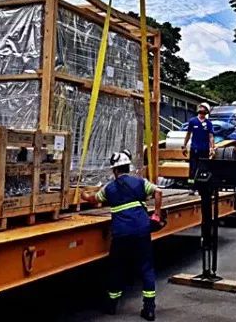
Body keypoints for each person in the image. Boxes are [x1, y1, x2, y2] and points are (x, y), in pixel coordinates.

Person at [81, 149, 163, 321]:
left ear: (115, 170)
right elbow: (159, 192)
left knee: (117, 269)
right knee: (146, 268)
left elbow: (94, 199)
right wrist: (156, 213)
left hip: (121, 235)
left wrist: (84, 195)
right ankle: (149, 309)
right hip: (142, 231)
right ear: (127, 167)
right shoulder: (140, 182)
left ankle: (111, 305)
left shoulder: (109, 188)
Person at [181, 102, 215, 184]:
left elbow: (211, 136)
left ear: (206, 112)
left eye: (203, 112)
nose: (201, 113)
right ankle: (192, 186)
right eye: (200, 111)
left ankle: (201, 185)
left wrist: (212, 148)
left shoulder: (208, 123)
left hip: (204, 149)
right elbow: (188, 134)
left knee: (203, 167)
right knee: (193, 167)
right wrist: (184, 146)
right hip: (194, 148)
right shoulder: (192, 121)